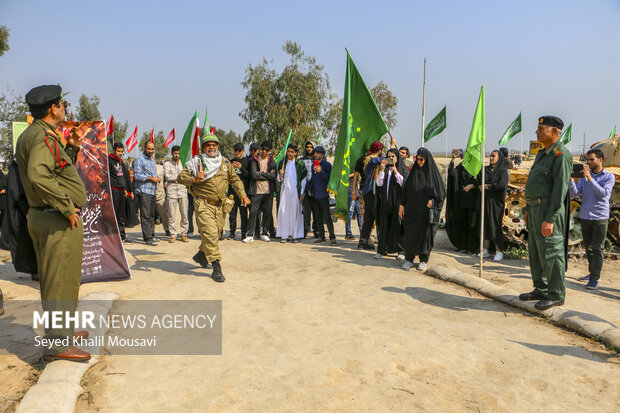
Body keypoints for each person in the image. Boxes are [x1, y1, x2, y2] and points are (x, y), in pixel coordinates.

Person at [16, 84, 89, 361]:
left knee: (60, 279)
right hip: (54, 218)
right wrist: (67, 206)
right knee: (59, 281)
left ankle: (64, 333)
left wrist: (70, 150)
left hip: (47, 215)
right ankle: (58, 345)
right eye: (62, 104)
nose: (65, 108)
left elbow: (54, 171)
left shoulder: (37, 135)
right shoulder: (42, 138)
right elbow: (38, 176)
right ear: (52, 108)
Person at [178, 131, 250, 282]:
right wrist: (195, 179)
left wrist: (242, 194)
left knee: (216, 234)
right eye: (208, 145)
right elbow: (181, 178)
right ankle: (216, 267)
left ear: (217, 146)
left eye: (214, 145)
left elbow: (235, 180)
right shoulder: (196, 162)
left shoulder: (224, 163)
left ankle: (201, 256)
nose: (211, 147)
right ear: (203, 148)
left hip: (220, 206)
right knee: (210, 235)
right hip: (203, 204)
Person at [519, 116, 572, 310]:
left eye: (542, 129)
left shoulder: (560, 155)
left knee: (552, 251)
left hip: (548, 210)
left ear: (555, 132)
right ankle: (541, 288)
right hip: (534, 209)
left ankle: (556, 293)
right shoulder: (543, 153)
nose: (537, 132)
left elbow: (560, 190)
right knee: (536, 249)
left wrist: (550, 218)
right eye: (538, 128)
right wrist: (527, 209)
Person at [569, 148, 615, 290]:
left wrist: (590, 179)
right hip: (585, 216)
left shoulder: (609, 176)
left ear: (600, 160)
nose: (589, 162)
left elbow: (603, 194)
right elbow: (574, 193)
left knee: (598, 249)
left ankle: (595, 278)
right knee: (588, 248)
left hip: (600, 217)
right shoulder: (584, 176)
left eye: (592, 159)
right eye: (587, 159)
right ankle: (591, 273)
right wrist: (571, 180)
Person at [399, 148, 445, 271]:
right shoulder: (413, 173)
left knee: (425, 236)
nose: (419, 161)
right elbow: (405, 190)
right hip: (411, 212)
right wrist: (402, 205)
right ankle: (409, 259)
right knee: (410, 235)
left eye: (421, 159)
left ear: (427, 160)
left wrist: (433, 201)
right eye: (417, 159)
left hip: (426, 213)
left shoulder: (433, 175)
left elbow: (441, 193)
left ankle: (423, 260)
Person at [1, 159, 38, 278]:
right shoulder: (16, 169)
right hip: (21, 213)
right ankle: (35, 271)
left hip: (31, 210)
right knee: (27, 242)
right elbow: (16, 193)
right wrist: (26, 211)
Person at [376, 148, 409, 259]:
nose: (390, 159)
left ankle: (401, 251)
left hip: (398, 203)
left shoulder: (402, 169)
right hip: (386, 202)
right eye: (388, 156)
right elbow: (379, 184)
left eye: (393, 157)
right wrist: (381, 170)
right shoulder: (385, 169)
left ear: (397, 158)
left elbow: (404, 183)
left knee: (399, 226)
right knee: (385, 225)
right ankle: (382, 250)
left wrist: (395, 171)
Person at [478, 150, 509, 261]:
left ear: (499, 158)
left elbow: (501, 185)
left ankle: (499, 251)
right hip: (486, 202)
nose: (491, 158)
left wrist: (488, 186)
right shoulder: (486, 170)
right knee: (485, 225)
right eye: (490, 155)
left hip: (496, 203)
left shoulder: (502, 171)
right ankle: (485, 250)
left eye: (493, 156)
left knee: (495, 226)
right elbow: (480, 180)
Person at [243, 141, 276, 243]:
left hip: (267, 191)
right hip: (256, 191)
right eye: (263, 149)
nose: (264, 151)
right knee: (253, 212)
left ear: (270, 151)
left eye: (266, 150)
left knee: (267, 213)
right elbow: (253, 175)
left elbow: (273, 176)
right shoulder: (254, 160)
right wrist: (266, 175)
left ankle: (265, 233)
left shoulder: (271, 161)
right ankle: (250, 234)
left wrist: (261, 173)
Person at [275, 143, 307, 242]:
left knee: (295, 212)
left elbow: (303, 180)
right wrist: (280, 175)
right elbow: (279, 179)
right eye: (288, 151)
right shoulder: (282, 163)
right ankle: (284, 235)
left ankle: (295, 235)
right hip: (285, 192)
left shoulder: (300, 164)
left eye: (292, 152)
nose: (289, 153)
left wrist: (301, 193)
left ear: (296, 153)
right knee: (283, 212)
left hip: (295, 192)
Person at [357, 141, 384, 250]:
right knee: (378, 217)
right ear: (379, 150)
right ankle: (382, 244)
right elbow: (389, 160)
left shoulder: (366, 158)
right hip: (372, 192)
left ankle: (363, 242)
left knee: (368, 218)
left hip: (367, 192)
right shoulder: (372, 159)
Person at [133, 141, 160, 245]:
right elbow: (137, 175)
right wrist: (150, 178)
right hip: (144, 191)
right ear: (144, 148)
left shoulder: (152, 160)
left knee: (152, 215)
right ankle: (147, 238)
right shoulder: (139, 160)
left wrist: (156, 178)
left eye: (152, 149)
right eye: (149, 149)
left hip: (152, 191)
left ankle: (151, 235)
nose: (151, 151)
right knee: (146, 215)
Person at [309, 146, 336, 245]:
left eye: (318, 153)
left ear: (323, 154)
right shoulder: (313, 164)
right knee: (318, 217)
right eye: (315, 153)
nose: (316, 154)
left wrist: (321, 171)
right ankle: (321, 236)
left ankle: (332, 237)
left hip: (324, 195)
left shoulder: (326, 165)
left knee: (327, 217)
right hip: (315, 195)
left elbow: (330, 178)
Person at [108, 143, 133, 242]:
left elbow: (125, 176)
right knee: (113, 214)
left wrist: (129, 189)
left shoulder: (120, 161)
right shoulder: (108, 160)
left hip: (121, 192)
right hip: (113, 191)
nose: (120, 153)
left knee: (121, 215)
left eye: (122, 151)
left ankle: (122, 236)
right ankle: (112, 237)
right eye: (118, 151)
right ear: (114, 150)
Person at [163, 145, 189, 243]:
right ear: (172, 154)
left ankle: (183, 233)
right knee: (171, 214)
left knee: (184, 214)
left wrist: (181, 178)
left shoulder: (184, 164)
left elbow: (187, 175)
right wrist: (180, 177)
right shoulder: (167, 164)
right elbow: (168, 177)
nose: (177, 155)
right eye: (175, 153)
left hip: (182, 189)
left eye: (178, 153)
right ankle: (173, 234)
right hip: (172, 190)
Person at [227, 143, 249, 240]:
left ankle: (244, 233)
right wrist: (230, 167)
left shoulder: (246, 161)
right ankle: (232, 232)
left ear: (243, 151)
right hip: (232, 192)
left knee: (243, 214)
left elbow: (249, 175)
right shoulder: (230, 162)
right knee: (232, 214)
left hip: (242, 193)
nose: (237, 152)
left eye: (239, 150)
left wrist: (241, 168)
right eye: (235, 150)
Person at [301, 141, 316, 237]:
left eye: (311, 147)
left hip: (315, 189)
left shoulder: (318, 161)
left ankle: (316, 230)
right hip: (305, 190)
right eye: (307, 147)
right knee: (306, 212)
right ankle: (305, 230)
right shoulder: (301, 161)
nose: (309, 148)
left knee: (316, 211)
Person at [345, 172, 362, 240]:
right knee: (350, 213)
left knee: (359, 213)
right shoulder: (348, 166)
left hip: (356, 191)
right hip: (351, 192)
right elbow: (344, 176)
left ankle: (362, 231)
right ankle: (348, 233)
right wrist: (355, 174)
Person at [155, 161, 170, 237]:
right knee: (149, 216)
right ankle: (150, 232)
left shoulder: (161, 168)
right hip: (149, 195)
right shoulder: (144, 167)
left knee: (164, 214)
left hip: (160, 195)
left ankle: (167, 229)